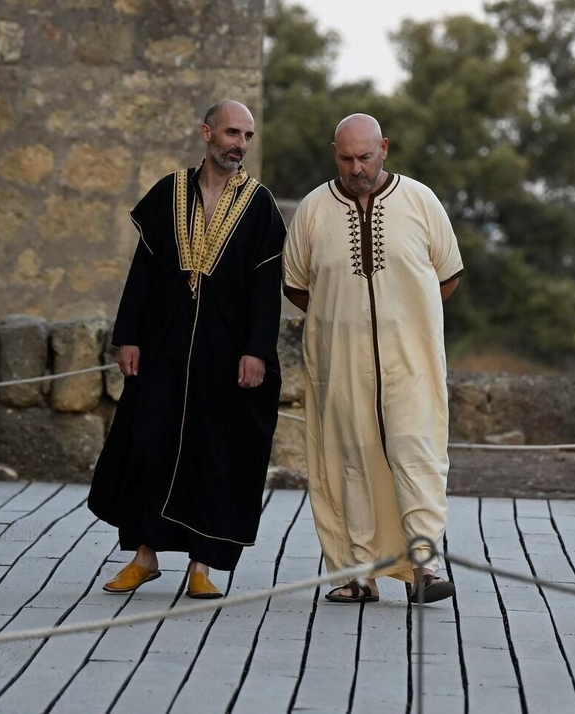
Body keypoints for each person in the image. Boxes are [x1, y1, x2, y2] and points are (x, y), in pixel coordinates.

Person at [88, 100, 287, 598]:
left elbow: (266, 289)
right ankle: (143, 556)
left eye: (247, 136)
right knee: (148, 445)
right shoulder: (168, 193)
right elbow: (144, 272)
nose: (239, 144)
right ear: (207, 133)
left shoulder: (259, 205)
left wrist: (257, 351)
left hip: (226, 354)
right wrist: (128, 335)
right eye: (231, 133)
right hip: (162, 347)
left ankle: (202, 565)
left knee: (214, 452)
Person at [282, 113, 463, 604]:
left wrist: (404, 319)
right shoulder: (315, 210)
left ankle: (425, 567)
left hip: (412, 364)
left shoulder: (421, 201)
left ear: (384, 147)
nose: (356, 167)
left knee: (416, 457)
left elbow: (448, 276)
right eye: (346, 158)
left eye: (365, 156)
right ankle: (357, 574)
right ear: (333, 153)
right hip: (340, 368)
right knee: (350, 465)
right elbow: (298, 286)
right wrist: (346, 322)